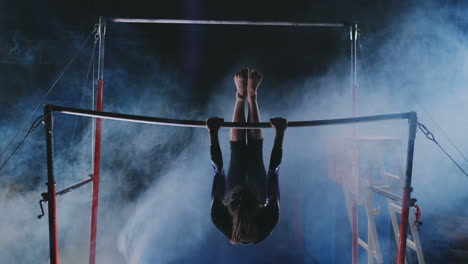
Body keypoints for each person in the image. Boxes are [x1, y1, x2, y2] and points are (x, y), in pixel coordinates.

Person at [207, 68, 287, 244]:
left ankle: (241, 97)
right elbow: (273, 172)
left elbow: (217, 172)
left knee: (238, 153)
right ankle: (251, 97)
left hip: (233, 192)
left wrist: (212, 134)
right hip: (257, 192)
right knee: (254, 153)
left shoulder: (220, 218)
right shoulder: (268, 219)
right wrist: (280, 133)